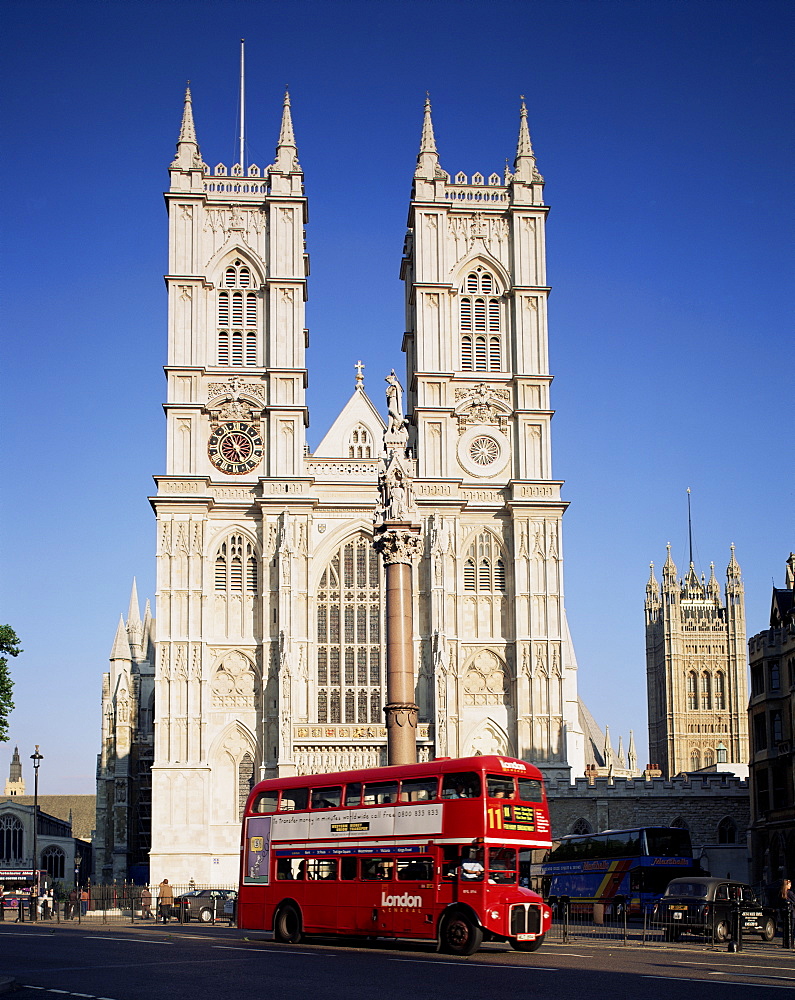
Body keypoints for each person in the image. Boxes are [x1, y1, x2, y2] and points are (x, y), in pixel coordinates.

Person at [780, 878, 795, 947]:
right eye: (789, 884)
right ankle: (790, 943)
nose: (790, 885)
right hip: (791, 912)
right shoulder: (790, 893)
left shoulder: (781, 893)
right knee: (791, 928)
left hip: (784, 912)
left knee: (786, 928)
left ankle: (786, 943)